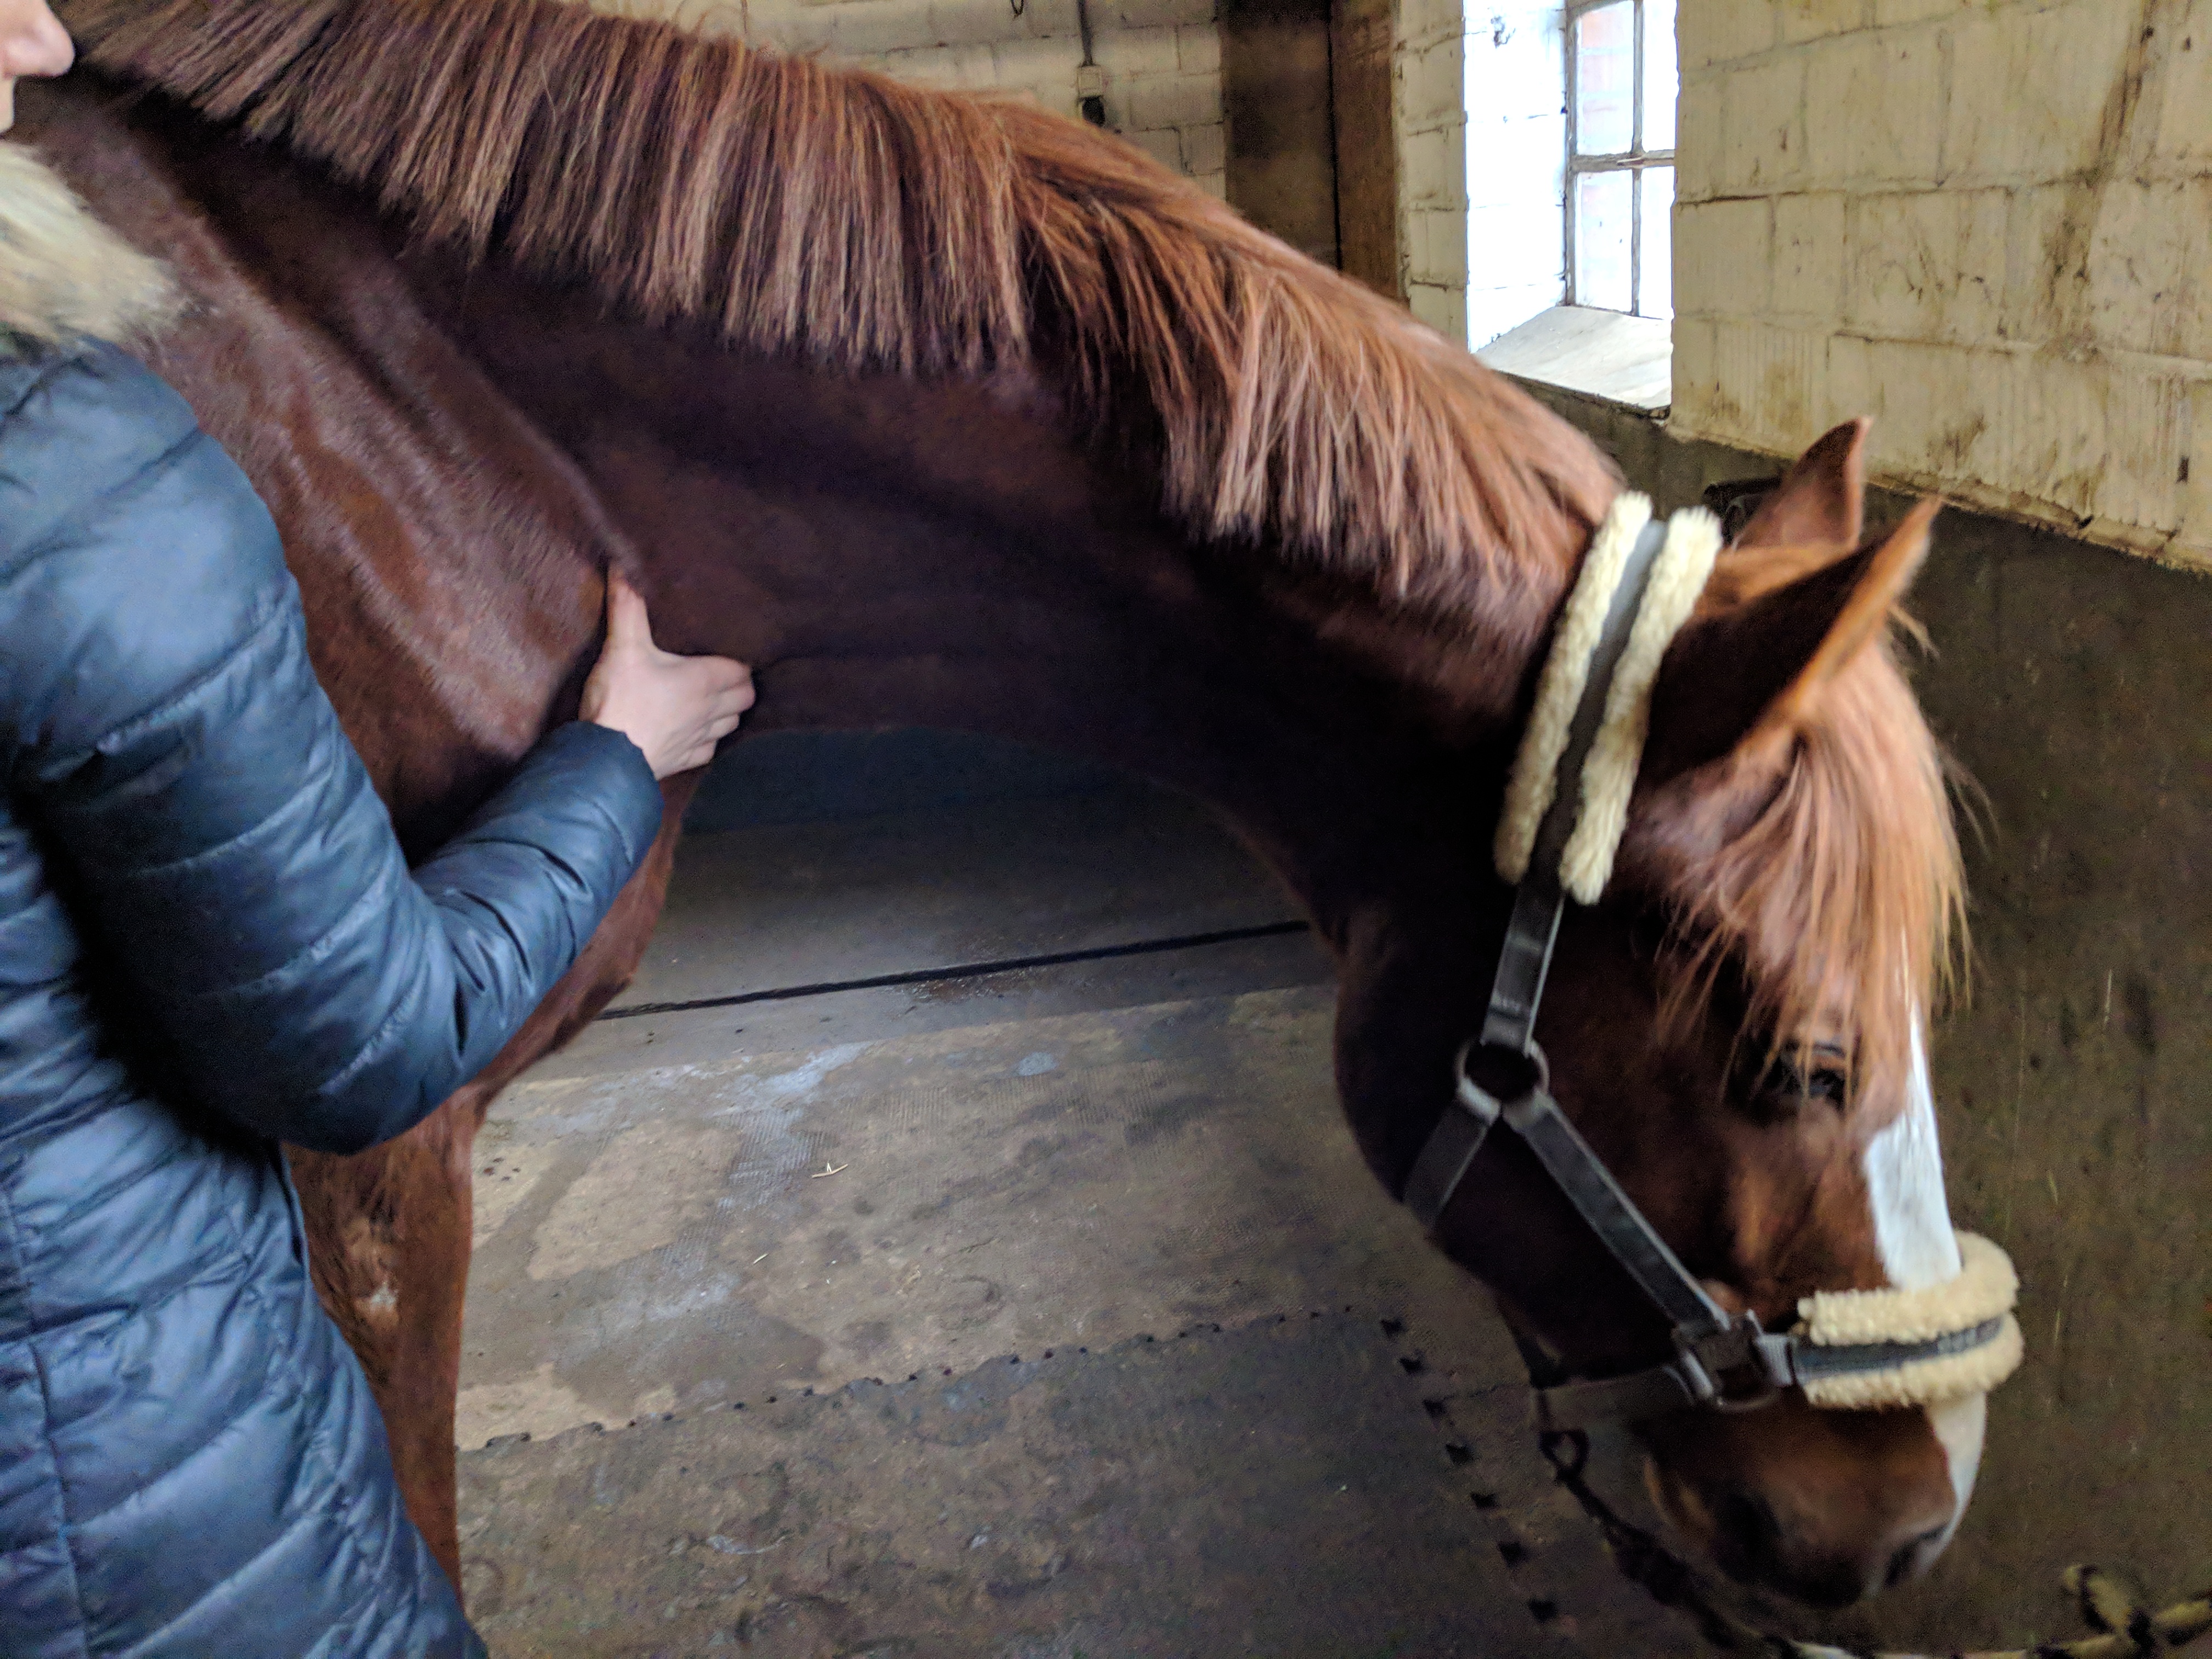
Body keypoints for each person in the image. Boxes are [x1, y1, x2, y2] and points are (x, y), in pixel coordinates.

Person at [0, 2, 757, 1652]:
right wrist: (617, 761)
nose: (45, 45)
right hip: (129, 1536)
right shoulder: (60, 476)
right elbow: (358, 1046)